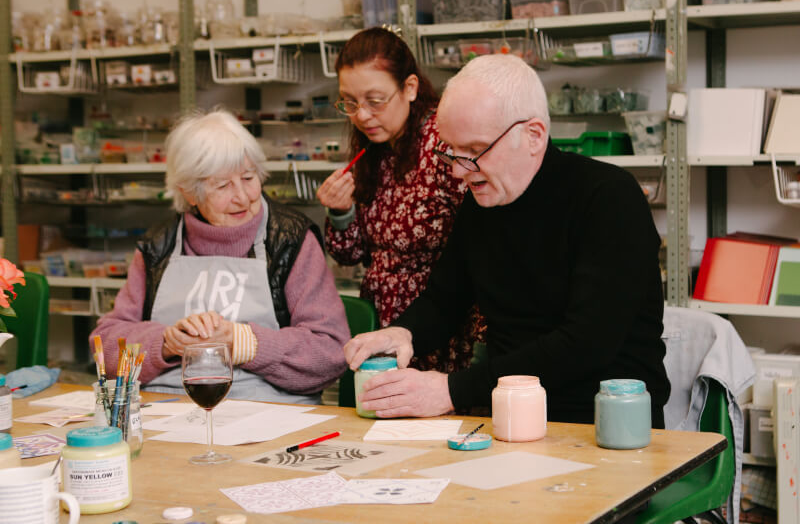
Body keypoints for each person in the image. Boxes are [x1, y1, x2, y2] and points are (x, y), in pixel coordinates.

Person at [343, 54, 670, 425]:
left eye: (475, 150)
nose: (458, 170)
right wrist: (403, 333)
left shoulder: (608, 198)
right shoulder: (482, 201)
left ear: (533, 135)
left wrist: (449, 390)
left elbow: (585, 344)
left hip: (603, 421)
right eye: (451, 151)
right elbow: (445, 298)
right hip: (511, 416)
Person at [92, 109, 350, 403]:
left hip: (269, 411)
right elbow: (106, 347)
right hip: (167, 410)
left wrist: (242, 342)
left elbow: (330, 353)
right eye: (223, 186)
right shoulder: (158, 246)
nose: (243, 196)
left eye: (249, 177)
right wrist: (165, 343)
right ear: (189, 193)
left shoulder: (290, 240)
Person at [316, 26, 484, 374]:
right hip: (383, 329)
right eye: (349, 102)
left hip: (442, 329)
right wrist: (341, 212)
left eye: (375, 101)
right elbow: (352, 255)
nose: (362, 115)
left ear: (409, 88)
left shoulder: (444, 143)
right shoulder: (373, 150)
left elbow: (480, 246)